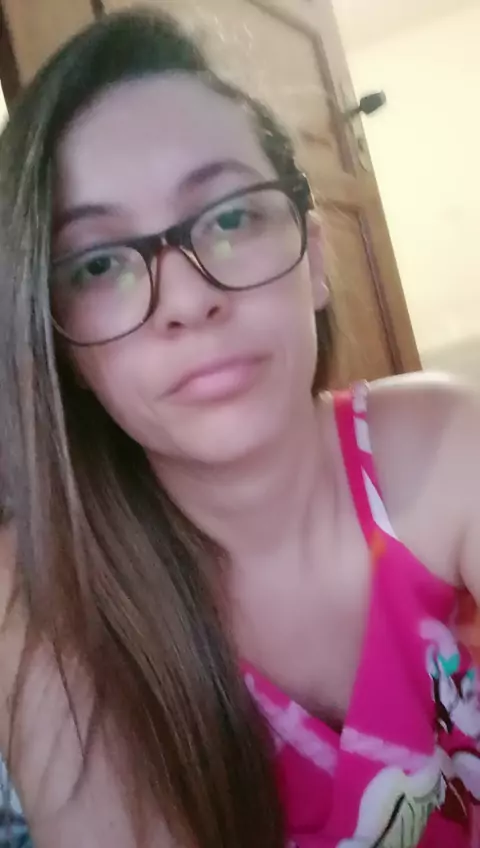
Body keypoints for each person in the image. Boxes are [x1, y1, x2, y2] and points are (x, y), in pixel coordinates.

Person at [0, 8, 479, 848]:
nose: (189, 300)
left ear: (315, 258)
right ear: (56, 339)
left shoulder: (448, 443)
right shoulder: (43, 594)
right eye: (99, 263)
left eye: (228, 217)